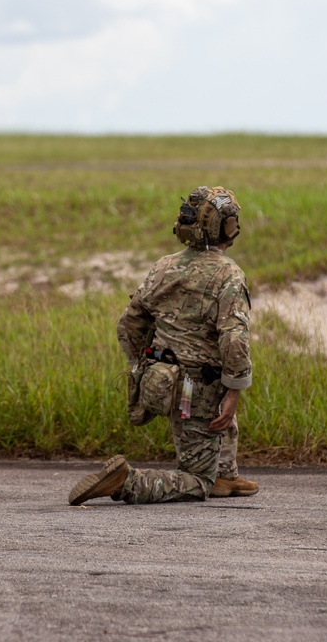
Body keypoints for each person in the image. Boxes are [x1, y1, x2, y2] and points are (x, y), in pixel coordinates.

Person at [68, 186, 255, 505]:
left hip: (163, 380)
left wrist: (144, 366)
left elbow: (129, 323)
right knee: (198, 480)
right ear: (225, 227)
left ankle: (224, 471)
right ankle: (127, 481)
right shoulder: (229, 274)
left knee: (214, 395)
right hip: (196, 391)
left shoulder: (165, 266)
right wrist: (235, 391)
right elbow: (234, 340)